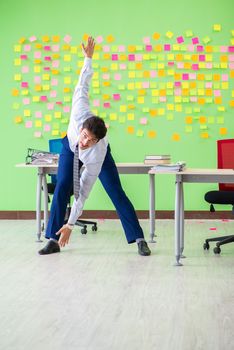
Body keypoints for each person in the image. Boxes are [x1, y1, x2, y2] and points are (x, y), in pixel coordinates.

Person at [39, 36, 151, 256]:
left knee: (116, 192)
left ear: (97, 141)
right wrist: (88, 59)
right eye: (85, 136)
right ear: (82, 128)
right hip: (69, 148)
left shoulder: (97, 152)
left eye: (90, 141)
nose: (86, 142)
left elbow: (83, 192)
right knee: (62, 185)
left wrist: (71, 224)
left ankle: (139, 238)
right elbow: (83, 83)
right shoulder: (79, 109)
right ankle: (52, 239)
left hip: (97, 159)